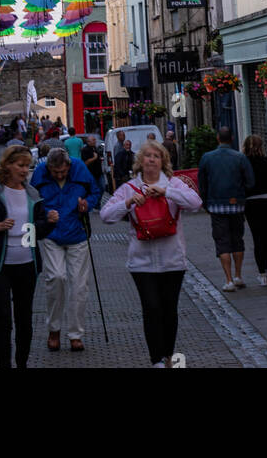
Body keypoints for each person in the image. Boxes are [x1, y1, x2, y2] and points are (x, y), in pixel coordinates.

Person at [101, 140, 203, 368]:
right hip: (141, 261)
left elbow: (196, 203)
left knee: (169, 309)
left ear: (163, 161)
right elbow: (106, 216)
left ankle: (168, 355)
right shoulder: (129, 188)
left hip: (172, 259)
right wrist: (128, 203)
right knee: (151, 308)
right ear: (140, 161)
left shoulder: (174, 184)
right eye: (147, 155)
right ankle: (156, 359)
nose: (151, 159)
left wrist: (167, 192)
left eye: (156, 156)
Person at [0, 145, 59, 369]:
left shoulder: (32, 193)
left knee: (24, 321)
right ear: (7, 165)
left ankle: (22, 363)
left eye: (27, 166)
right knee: (3, 320)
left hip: (26, 264)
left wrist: (48, 222)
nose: (24, 170)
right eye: (20, 165)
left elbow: (37, 231)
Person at [31, 146, 101, 353]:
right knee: (56, 278)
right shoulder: (40, 174)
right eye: (55, 172)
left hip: (77, 233)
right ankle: (54, 329)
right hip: (52, 235)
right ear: (49, 168)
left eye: (63, 172)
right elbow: (32, 202)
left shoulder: (79, 170)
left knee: (79, 285)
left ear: (69, 166)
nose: (60, 175)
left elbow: (95, 191)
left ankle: (75, 334)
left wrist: (87, 204)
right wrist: (43, 216)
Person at [197, 125, 255, 291]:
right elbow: (250, 182)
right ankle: (238, 275)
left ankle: (228, 280)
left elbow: (202, 183)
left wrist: (206, 202)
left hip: (216, 207)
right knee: (237, 240)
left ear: (217, 138)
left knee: (222, 242)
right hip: (236, 206)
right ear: (232, 138)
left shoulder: (207, 158)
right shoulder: (240, 158)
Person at [243, 134, 267, 286]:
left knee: (257, 237)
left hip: (251, 203)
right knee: (266, 237)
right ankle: (266, 268)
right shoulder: (265, 162)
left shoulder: (243, 163)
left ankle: (262, 273)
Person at [80, 133, 105, 204]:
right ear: (88, 142)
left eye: (95, 140)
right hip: (91, 174)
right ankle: (95, 204)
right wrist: (94, 158)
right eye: (93, 140)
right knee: (94, 190)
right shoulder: (85, 150)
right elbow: (85, 163)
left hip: (99, 173)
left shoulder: (95, 148)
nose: (95, 141)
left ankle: (97, 202)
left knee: (102, 188)